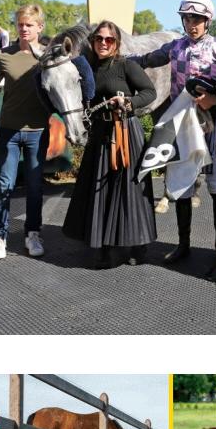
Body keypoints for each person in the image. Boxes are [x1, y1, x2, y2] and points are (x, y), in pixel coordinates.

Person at [133, 0, 216, 272]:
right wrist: (109, 58)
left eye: (197, 19)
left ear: (208, 21)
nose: (191, 24)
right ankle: (183, 245)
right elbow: (144, 58)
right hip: (181, 124)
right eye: (187, 18)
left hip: (211, 125)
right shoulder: (175, 47)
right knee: (181, 186)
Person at [63, 21, 158, 268]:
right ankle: (103, 245)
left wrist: (128, 102)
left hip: (127, 132)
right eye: (99, 39)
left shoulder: (127, 65)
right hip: (100, 133)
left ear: (116, 43)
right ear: (92, 42)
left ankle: (138, 243)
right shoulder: (87, 68)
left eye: (109, 40)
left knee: (130, 189)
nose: (103, 43)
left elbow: (149, 92)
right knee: (100, 188)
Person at [0, 4, 52, 260]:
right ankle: (0, 235)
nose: (24, 29)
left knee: (34, 187)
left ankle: (32, 234)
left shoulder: (48, 57)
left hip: (38, 132)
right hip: (8, 130)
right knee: (4, 184)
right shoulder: (3, 55)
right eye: (20, 24)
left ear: (40, 27)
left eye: (29, 25)